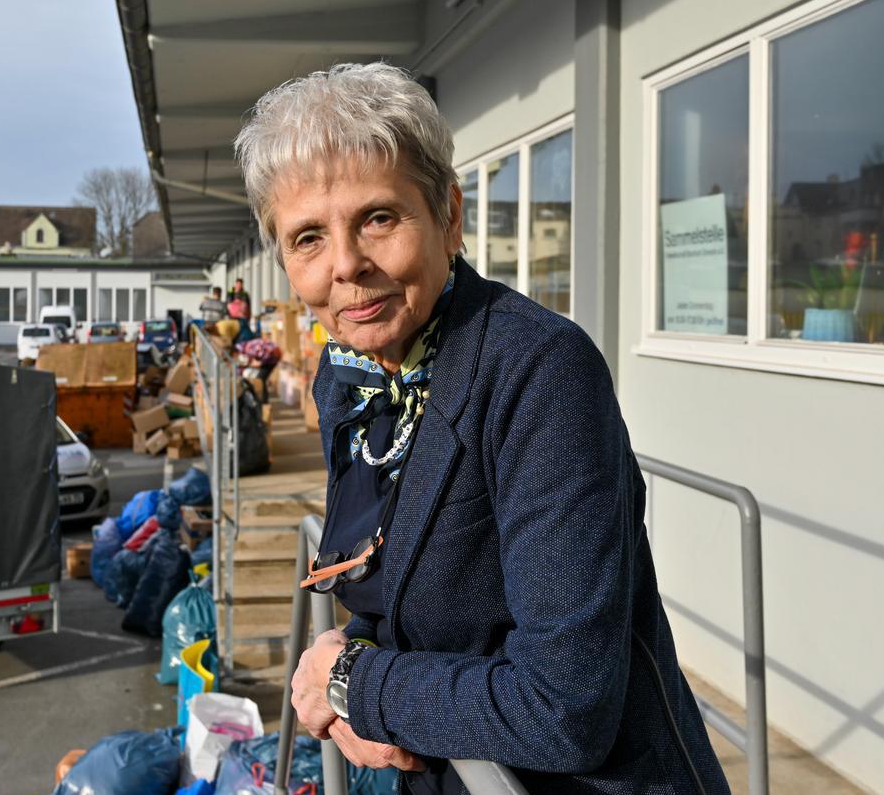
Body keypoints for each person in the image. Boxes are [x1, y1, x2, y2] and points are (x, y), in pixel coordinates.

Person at [235, 62, 731, 794]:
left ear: (448, 217)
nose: (346, 265)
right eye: (308, 237)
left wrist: (356, 683)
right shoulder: (353, 375)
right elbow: (380, 582)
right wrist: (358, 662)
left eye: (378, 218)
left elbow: (564, 707)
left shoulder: (539, 372)